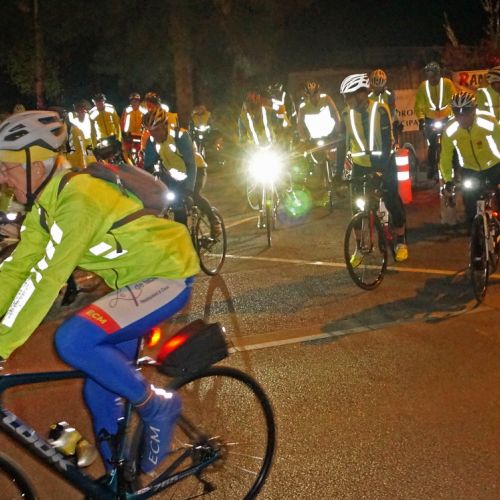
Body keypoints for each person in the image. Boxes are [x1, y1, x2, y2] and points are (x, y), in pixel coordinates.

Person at [0, 110, 200, 473]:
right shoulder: (46, 207)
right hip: (135, 285)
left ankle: (157, 404)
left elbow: (46, 278)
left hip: (168, 274)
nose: (1, 178)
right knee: (98, 391)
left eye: (6, 167)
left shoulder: (79, 198)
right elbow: (15, 271)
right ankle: (118, 482)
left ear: (36, 166)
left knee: (73, 340)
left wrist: (2, 344)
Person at [335, 73, 408, 263]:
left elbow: (386, 143)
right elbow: (342, 146)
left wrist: (380, 170)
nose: (346, 100)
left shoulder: (380, 110)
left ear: (361, 94)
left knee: (391, 200)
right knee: (356, 206)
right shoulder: (346, 114)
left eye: (348, 96)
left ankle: (401, 241)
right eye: (344, 96)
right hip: (360, 166)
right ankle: (360, 247)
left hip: (384, 162)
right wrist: (337, 175)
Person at [146, 108, 222, 235]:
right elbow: (148, 167)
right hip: (174, 175)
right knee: (177, 207)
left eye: (157, 130)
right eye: (150, 131)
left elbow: (191, 164)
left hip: (196, 169)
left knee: (195, 196)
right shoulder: (152, 141)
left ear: (164, 125)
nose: (154, 135)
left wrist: (188, 190)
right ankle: (185, 238)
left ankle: (214, 220)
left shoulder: (180, 136)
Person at [439, 91, 500, 229]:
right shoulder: (450, 129)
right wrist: (448, 180)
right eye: (457, 114)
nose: (462, 118)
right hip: (470, 169)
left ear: (474, 110)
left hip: (495, 165)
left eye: (466, 113)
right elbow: (445, 157)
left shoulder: (488, 121)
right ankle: (476, 235)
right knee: (471, 208)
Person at [414, 62, 456, 179]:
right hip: (430, 119)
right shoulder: (423, 86)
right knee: (432, 144)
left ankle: (456, 168)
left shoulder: (447, 83)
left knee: (451, 143)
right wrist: (421, 120)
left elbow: (454, 100)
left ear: (439, 74)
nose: (432, 79)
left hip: (446, 117)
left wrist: (453, 117)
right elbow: (419, 105)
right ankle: (431, 168)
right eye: (429, 77)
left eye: (433, 76)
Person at [141, 92, 177, 171]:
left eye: (152, 104)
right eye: (148, 105)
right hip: (155, 147)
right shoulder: (147, 117)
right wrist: (143, 147)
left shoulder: (169, 116)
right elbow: (146, 134)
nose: (150, 107)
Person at [369, 69, 402, 144]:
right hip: (375, 123)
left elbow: (392, 108)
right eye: (376, 88)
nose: (378, 89)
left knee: (393, 141)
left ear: (384, 84)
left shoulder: (389, 93)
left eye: (380, 87)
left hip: (390, 119)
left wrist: (391, 121)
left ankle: (395, 145)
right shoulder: (369, 95)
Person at [66, 100, 94, 168]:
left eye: (82, 110)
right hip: (78, 142)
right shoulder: (72, 119)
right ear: (76, 112)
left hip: (89, 142)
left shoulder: (88, 117)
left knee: (91, 158)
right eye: (79, 111)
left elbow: (93, 129)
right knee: (81, 157)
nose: (81, 112)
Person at [121, 92, 146, 164]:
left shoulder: (143, 111)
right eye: (132, 101)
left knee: (141, 152)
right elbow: (122, 122)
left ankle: (141, 165)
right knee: (126, 152)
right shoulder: (127, 110)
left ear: (139, 101)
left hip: (140, 135)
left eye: (136, 101)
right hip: (128, 135)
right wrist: (123, 133)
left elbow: (147, 123)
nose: (134, 103)